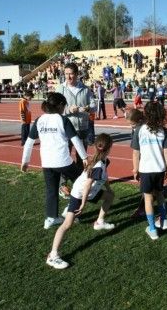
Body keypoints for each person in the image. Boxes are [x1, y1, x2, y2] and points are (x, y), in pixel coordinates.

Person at [46, 133, 115, 269]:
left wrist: (108, 188)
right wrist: (82, 204)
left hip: (90, 192)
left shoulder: (104, 161)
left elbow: (104, 177)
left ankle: (99, 222)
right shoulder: (98, 165)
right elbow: (87, 185)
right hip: (79, 194)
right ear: (109, 148)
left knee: (109, 196)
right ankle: (52, 256)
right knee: (67, 224)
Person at [21, 92, 88, 229]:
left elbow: (29, 142)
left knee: (51, 190)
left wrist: (25, 161)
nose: (64, 108)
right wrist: (85, 157)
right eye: (64, 105)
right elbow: (75, 139)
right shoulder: (62, 119)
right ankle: (69, 211)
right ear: (60, 105)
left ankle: (51, 218)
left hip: (47, 163)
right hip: (63, 162)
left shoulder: (40, 120)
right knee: (83, 183)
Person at [131, 102, 167, 240]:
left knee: (148, 198)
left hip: (146, 169)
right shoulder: (163, 130)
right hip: (160, 168)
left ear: (146, 114)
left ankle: (152, 229)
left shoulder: (139, 130)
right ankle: (164, 220)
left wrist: (135, 169)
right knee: (160, 195)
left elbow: (136, 153)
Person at [55, 62, 95, 198]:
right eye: (66, 74)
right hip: (66, 128)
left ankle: (79, 183)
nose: (68, 76)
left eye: (71, 73)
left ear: (77, 74)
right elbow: (55, 108)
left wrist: (89, 108)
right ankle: (62, 185)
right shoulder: (60, 89)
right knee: (64, 157)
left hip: (82, 128)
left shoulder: (85, 89)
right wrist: (68, 110)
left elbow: (94, 105)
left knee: (81, 159)